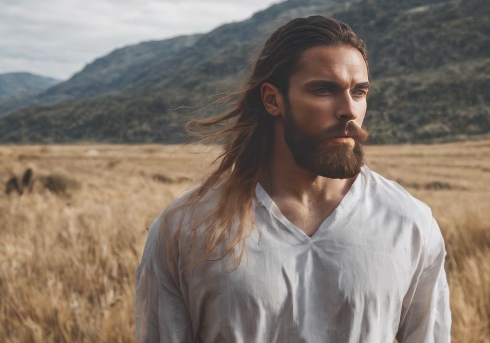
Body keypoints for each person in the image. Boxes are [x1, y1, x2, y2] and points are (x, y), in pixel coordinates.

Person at [135, 15, 451, 342]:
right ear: (273, 100)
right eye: (324, 90)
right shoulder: (187, 228)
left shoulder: (409, 224)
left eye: (359, 91)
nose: (348, 110)